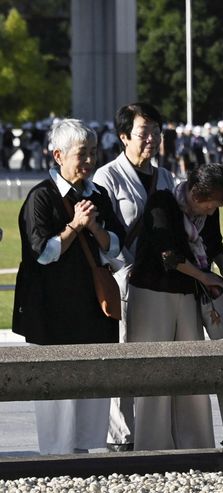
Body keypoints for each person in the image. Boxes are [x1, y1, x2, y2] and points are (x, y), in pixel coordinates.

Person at [12, 119, 125, 454]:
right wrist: (75, 225)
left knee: (93, 385)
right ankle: (58, 460)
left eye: (93, 152)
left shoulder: (98, 194)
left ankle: (89, 454)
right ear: (58, 155)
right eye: (82, 153)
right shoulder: (41, 198)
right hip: (52, 313)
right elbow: (43, 255)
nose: (89, 160)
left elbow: (116, 246)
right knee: (56, 395)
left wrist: (94, 226)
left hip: (94, 309)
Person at [126, 163, 223, 451]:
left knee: (193, 372)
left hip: (188, 295)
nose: (213, 211)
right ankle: (152, 447)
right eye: (212, 204)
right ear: (197, 194)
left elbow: (213, 242)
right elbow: (168, 255)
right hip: (151, 293)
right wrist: (205, 276)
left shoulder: (209, 211)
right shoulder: (162, 202)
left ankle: (197, 444)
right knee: (153, 373)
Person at [93, 102, 176, 452]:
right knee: (125, 358)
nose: (152, 139)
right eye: (144, 132)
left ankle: (157, 432)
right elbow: (101, 235)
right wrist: (123, 272)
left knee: (161, 359)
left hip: (163, 283)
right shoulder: (107, 177)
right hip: (125, 283)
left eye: (157, 131)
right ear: (124, 136)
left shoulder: (167, 177)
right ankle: (121, 437)